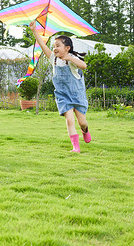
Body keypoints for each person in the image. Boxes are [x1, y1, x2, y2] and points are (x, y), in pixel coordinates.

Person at [29, 21, 92, 153]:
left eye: (58, 45)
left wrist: (70, 58)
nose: (55, 48)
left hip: (77, 94)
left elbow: (84, 66)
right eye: (54, 46)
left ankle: (85, 130)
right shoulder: (54, 59)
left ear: (67, 47)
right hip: (63, 95)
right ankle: (76, 147)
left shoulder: (72, 59)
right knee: (69, 120)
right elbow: (42, 44)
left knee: (82, 122)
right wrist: (35, 31)